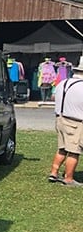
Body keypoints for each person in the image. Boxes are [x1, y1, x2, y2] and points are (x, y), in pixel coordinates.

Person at [48, 56, 83, 187]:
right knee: (74, 150)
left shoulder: (63, 83)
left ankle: (54, 172)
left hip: (60, 118)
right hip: (75, 122)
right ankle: (68, 178)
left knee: (62, 148)